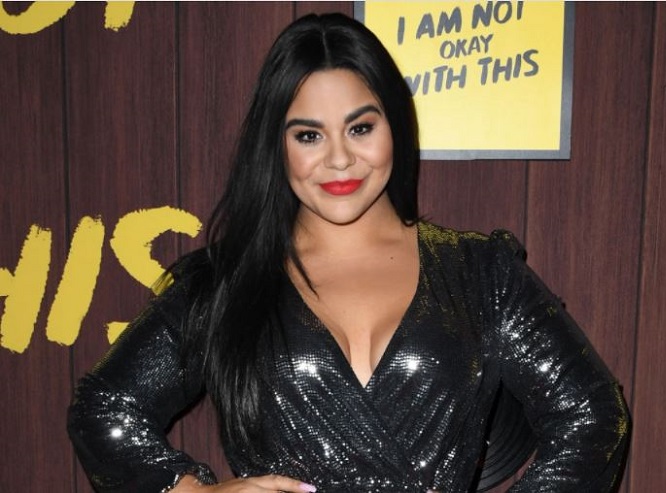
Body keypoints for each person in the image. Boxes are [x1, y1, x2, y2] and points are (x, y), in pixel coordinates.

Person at [67, 12, 629, 493]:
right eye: (309, 135)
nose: (338, 159)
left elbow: (593, 414)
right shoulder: (225, 284)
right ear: (277, 145)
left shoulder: (482, 274)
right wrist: (188, 490)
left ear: (395, 127)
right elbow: (103, 408)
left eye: (360, 128)